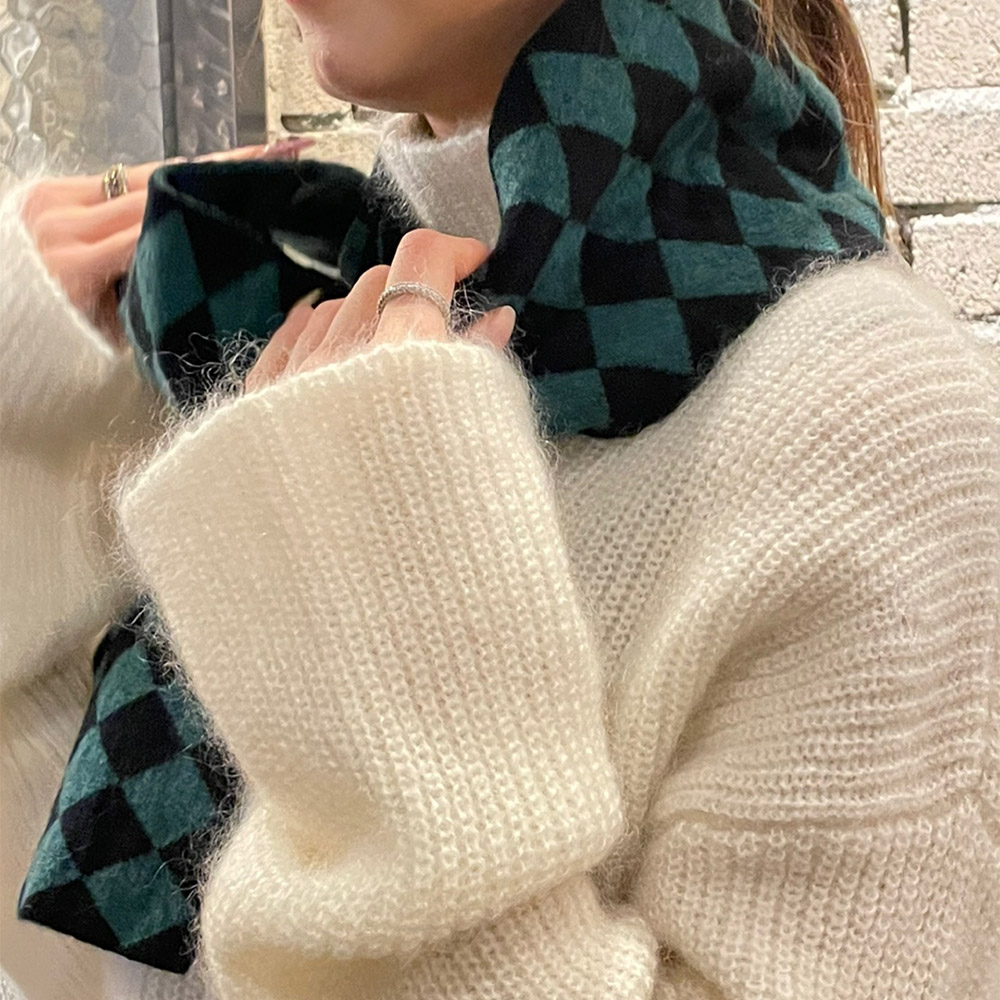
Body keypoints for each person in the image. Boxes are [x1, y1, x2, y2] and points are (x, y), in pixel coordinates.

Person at [1, 1, 997, 999]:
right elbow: (122, 973)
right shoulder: (339, 323)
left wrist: (406, 658)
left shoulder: (877, 424)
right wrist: (28, 403)